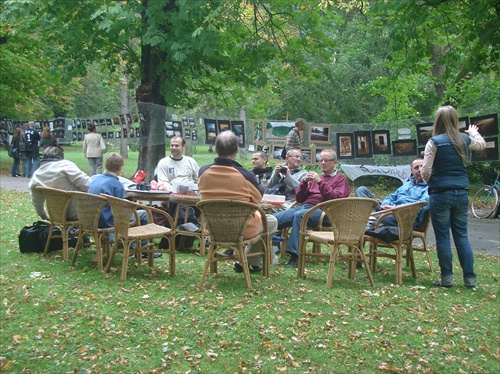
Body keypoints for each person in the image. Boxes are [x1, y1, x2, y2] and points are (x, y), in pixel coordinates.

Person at [422, 105, 486, 289]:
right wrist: (473, 132)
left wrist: (430, 180)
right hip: (461, 192)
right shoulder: (464, 140)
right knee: (462, 236)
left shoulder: (434, 142)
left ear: (437, 121)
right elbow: (481, 145)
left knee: (443, 238)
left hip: (440, 193)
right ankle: (469, 279)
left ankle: (447, 279)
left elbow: (425, 170)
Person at [198, 131, 278, 273]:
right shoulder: (246, 175)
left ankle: (247, 261)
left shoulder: (203, 172)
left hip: (213, 228)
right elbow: (258, 198)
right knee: (271, 221)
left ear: (216, 150)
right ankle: (249, 261)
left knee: (266, 220)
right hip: (242, 229)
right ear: (236, 150)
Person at [272, 149, 350, 268]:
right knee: (271, 219)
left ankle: (295, 256)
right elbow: (300, 198)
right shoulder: (315, 177)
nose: (322, 163)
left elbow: (335, 200)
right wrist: (304, 183)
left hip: (326, 212)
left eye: (326, 160)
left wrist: (320, 183)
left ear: (334, 162)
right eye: (321, 160)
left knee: (300, 215)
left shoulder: (340, 179)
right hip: (305, 207)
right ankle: (253, 249)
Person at [88, 153, 153, 256]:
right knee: (144, 213)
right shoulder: (117, 185)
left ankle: (128, 244)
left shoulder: (95, 180)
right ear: (120, 167)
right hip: (107, 220)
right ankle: (144, 251)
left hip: (91, 219)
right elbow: (120, 212)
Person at [355, 158, 429, 229]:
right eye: (416, 168)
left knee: (362, 218)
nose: (420, 169)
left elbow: (421, 205)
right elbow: (391, 197)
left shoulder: (430, 187)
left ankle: (371, 219)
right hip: (389, 210)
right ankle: (371, 218)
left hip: (405, 216)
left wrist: (395, 208)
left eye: (422, 167)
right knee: (362, 190)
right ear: (412, 171)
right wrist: (385, 205)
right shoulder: (407, 184)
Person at [29, 146, 91, 221]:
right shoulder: (65, 166)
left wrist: (43, 215)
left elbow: (37, 200)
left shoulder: (37, 175)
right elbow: (87, 185)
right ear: (60, 157)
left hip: (56, 215)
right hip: (79, 211)